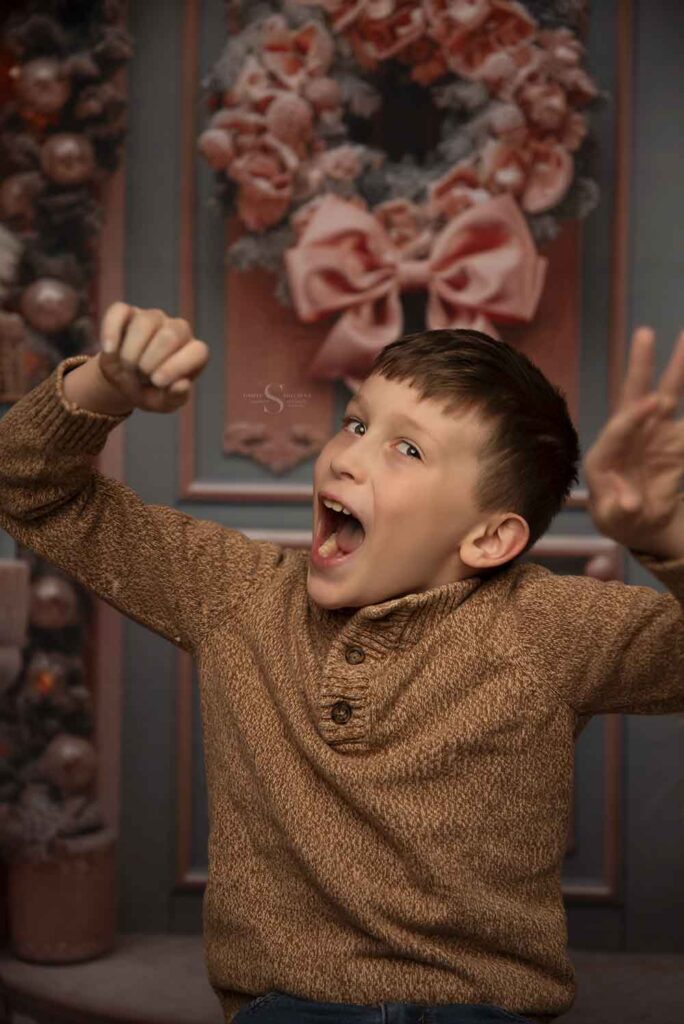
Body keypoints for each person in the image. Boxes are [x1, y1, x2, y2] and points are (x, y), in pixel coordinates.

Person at [1, 302, 684, 1024]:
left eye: (407, 449)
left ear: (489, 540)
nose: (348, 455)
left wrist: (669, 533)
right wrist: (106, 383)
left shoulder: (550, 629)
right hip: (289, 1008)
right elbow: (29, 489)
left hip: (484, 1012)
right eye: (357, 424)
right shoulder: (236, 595)